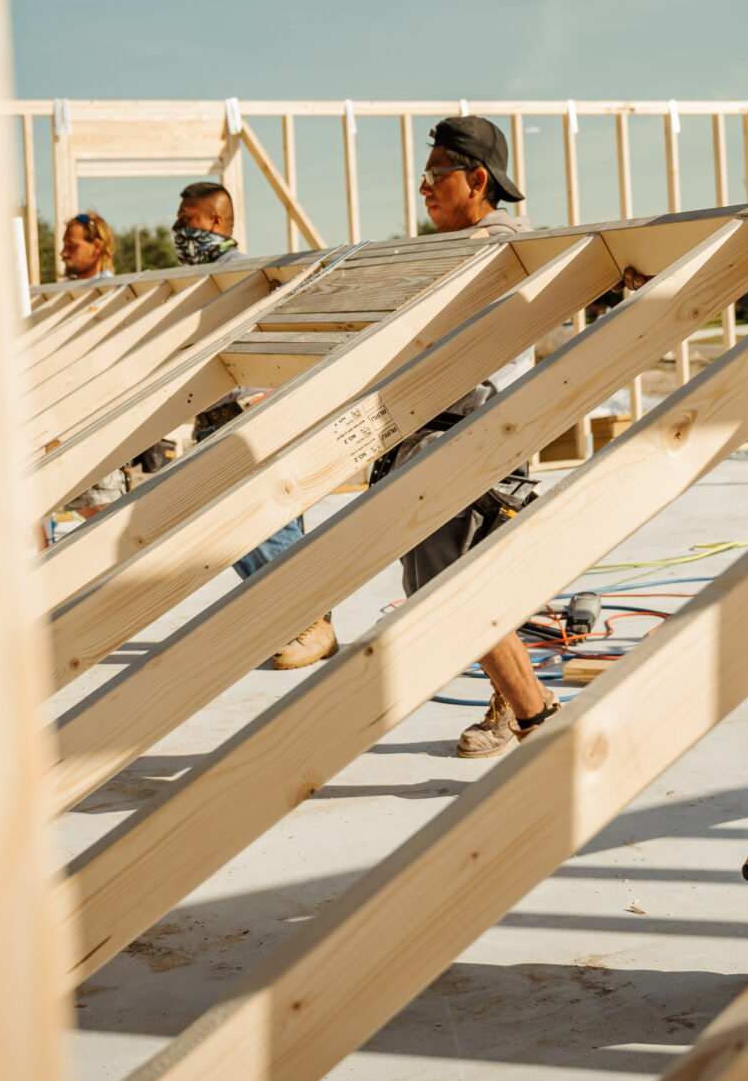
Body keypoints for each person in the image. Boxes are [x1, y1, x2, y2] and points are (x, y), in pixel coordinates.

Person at [367, 116, 550, 758]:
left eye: (436, 174)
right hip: (444, 436)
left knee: (455, 589)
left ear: (477, 180)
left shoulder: (496, 248)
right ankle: (523, 707)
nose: (424, 188)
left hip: (475, 440)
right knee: (441, 591)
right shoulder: (462, 249)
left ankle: (530, 714)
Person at [173, 180, 337, 671]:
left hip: (246, 417)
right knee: (225, 533)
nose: (179, 230)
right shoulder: (197, 281)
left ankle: (311, 622)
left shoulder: (239, 273)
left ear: (217, 223)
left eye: (188, 220)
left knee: (268, 527)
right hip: (214, 420)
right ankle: (290, 614)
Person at [60, 211, 114, 281]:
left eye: (71, 246)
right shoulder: (63, 290)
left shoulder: (114, 290)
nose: (63, 253)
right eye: (65, 246)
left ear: (96, 248)